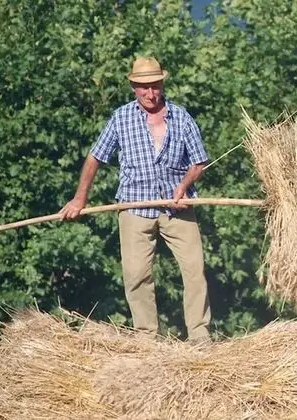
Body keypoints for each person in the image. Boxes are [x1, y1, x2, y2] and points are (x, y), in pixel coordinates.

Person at [60, 57, 211, 342]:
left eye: (155, 87)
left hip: (177, 208)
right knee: (136, 276)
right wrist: (79, 199)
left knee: (194, 270)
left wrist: (183, 186)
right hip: (134, 207)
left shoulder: (181, 116)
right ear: (133, 87)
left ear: (162, 84)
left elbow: (199, 162)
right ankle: (146, 337)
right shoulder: (121, 118)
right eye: (144, 88)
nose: (150, 94)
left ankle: (200, 335)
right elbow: (95, 157)